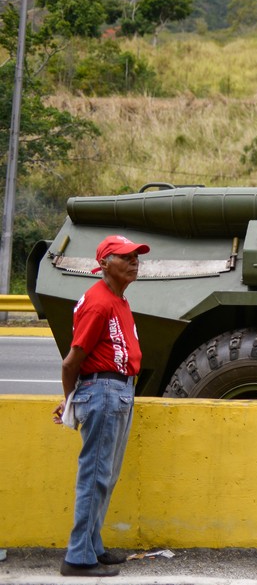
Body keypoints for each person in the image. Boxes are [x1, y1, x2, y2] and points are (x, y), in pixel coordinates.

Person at [52, 234, 150, 577]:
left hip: (116, 391)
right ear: (105, 264)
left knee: (103, 476)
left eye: (136, 256)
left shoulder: (116, 299)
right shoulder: (100, 302)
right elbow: (71, 362)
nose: (135, 261)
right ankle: (78, 558)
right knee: (94, 477)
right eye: (126, 257)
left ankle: (92, 546)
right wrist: (71, 401)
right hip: (105, 392)